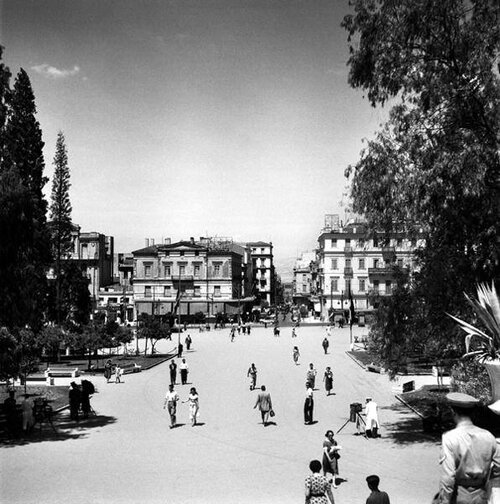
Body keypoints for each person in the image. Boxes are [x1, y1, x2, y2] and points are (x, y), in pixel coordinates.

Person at [434, 392, 500, 504]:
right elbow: (498, 468)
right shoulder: (489, 436)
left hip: (459, 495)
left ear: (453, 412)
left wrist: (444, 501)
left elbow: (448, 478)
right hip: (481, 495)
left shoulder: (450, 438)